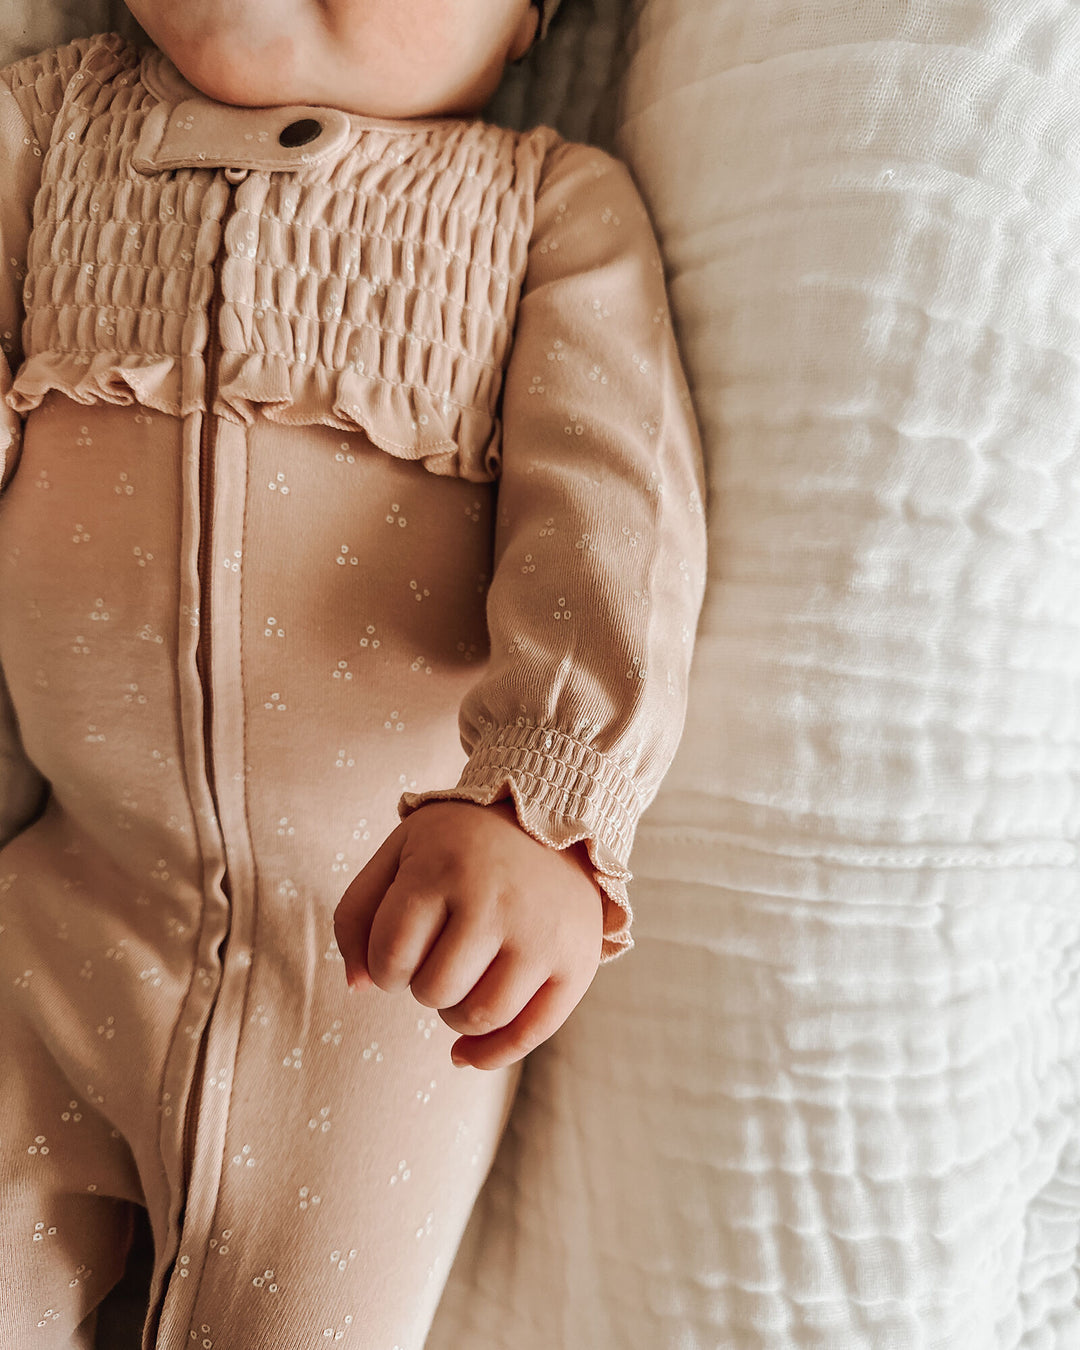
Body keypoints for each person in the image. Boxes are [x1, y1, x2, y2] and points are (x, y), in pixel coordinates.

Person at [0, 1, 707, 1345]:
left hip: (386, 963)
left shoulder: (545, 209)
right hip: (59, 913)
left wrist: (543, 809)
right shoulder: (40, 126)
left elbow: (617, 519)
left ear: (524, 23)